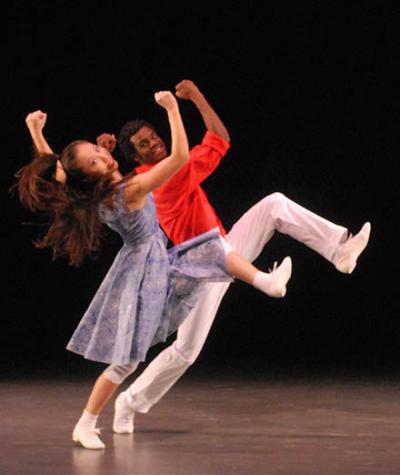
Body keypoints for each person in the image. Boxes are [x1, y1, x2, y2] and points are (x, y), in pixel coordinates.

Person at [95, 79, 371, 436]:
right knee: (186, 352)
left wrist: (198, 97)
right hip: (195, 268)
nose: (154, 142)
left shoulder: (153, 171)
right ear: (138, 158)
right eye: (145, 144)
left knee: (274, 204)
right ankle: (129, 402)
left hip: (225, 249)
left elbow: (219, 138)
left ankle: (339, 250)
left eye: (153, 136)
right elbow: (212, 143)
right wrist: (179, 107)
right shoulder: (163, 177)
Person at [18, 93, 292, 450]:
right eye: (97, 161)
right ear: (92, 176)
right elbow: (179, 157)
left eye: (99, 151)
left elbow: (57, 170)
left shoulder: (95, 193)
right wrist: (173, 110)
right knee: (126, 361)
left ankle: (264, 281)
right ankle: (86, 423)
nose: (103, 155)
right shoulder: (130, 190)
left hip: (154, 262)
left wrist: (35, 131)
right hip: (146, 271)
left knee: (207, 248)